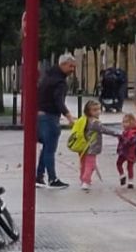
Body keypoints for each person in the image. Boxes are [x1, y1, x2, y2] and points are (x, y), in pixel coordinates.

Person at [34, 53, 74, 189]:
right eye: (71, 66)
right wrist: (68, 116)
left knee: (46, 147)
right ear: (62, 64)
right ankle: (52, 178)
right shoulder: (59, 82)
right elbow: (58, 100)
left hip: (41, 115)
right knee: (50, 148)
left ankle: (39, 177)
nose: (72, 69)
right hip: (50, 116)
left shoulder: (47, 76)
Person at [69, 99, 103, 190]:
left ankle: (83, 179)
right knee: (90, 165)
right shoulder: (95, 122)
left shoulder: (82, 119)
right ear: (88, 111)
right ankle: (86, 180)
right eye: (95, 110)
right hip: (91, 147)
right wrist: (119, 134)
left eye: (99, 109)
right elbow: (105, 130)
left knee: (84, 164)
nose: (98, 112)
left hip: (82, 146)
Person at [117, 111, 136, 189]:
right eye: (123, 122)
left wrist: (122, 139)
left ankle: (129, 180)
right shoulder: (125, 132)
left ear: (132, 123)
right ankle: (124, 176)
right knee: (121, 164)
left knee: (127, 166)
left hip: (129, 152)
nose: (124, 124)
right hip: (125, 152)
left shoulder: (132, 133)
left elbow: (130, 141)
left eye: (126, 122)